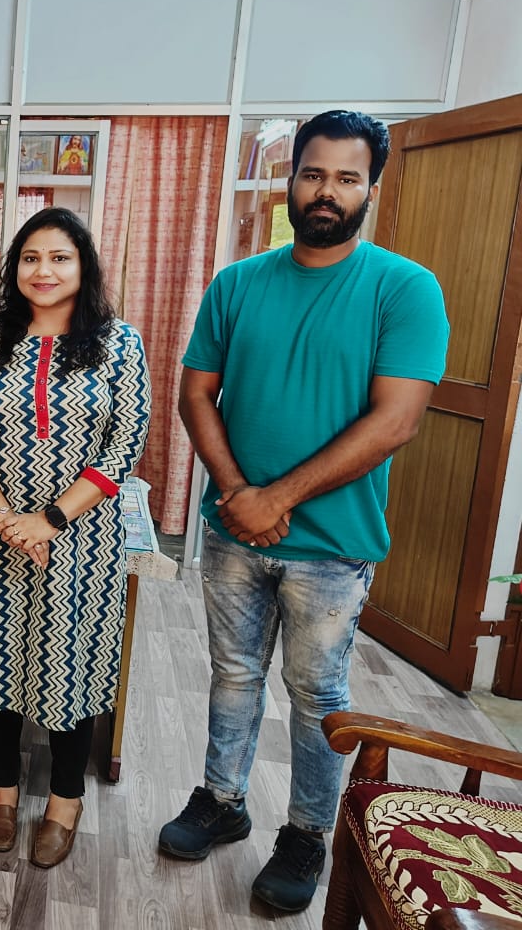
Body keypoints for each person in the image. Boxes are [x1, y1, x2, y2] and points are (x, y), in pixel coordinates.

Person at [158, 110, 450, 912]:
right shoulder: (237, 283)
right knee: (233, 675)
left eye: (347, 178)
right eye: (314, 173)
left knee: (318, 694)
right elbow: (195, 393)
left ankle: (307, 833)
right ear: (291, 179)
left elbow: (397, 420)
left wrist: (276, 499)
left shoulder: (405, 289)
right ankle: (222, 799)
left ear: (370, 189)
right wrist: (237, 495)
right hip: (233, 533)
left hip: (331, 544)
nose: (328, 191)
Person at [0, 206, 151, 869]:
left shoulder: (119, 343)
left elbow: (125, 442)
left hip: (81, 542)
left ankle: (65, 798)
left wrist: (51, 519)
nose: (44, 271)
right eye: (31, 258)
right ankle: (2, 787)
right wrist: (7, 517)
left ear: (83, 266)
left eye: (60, 257)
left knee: (71, 664)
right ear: (14, 268)